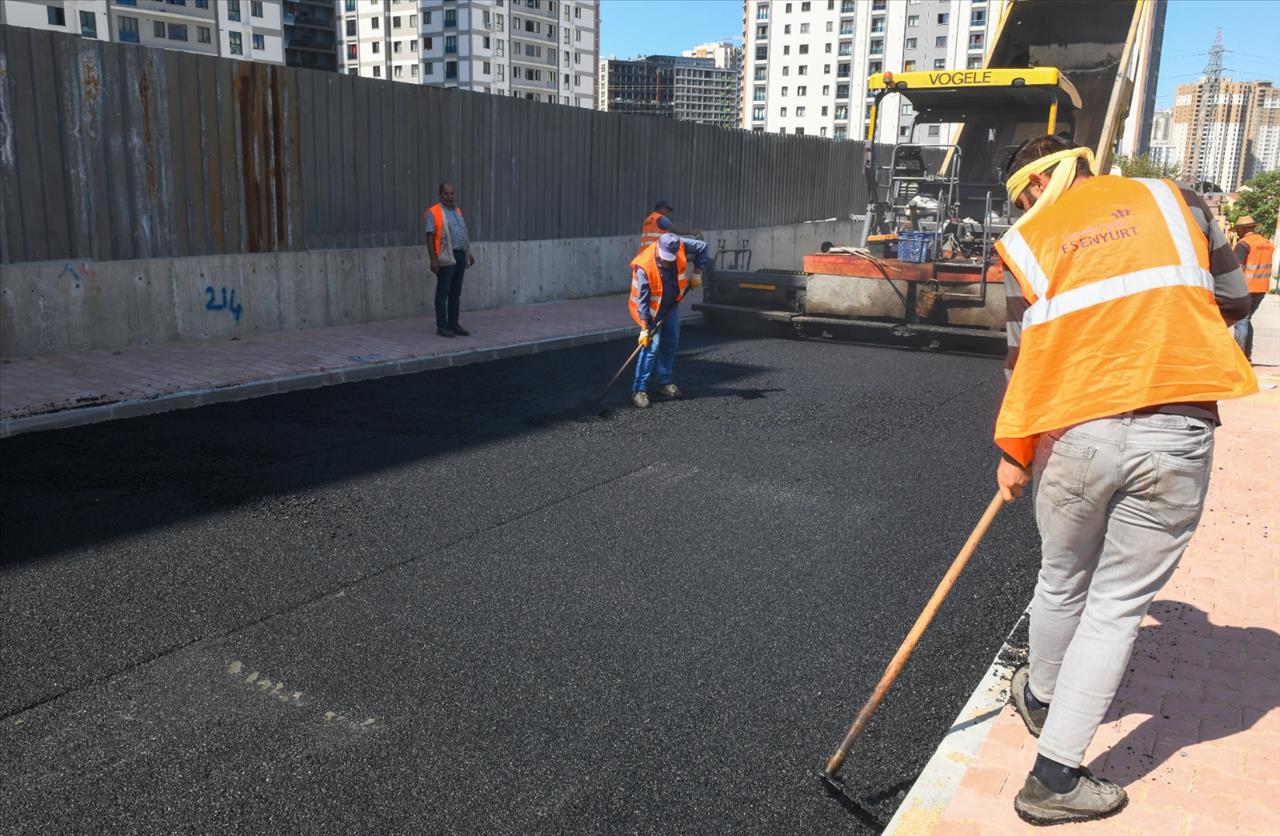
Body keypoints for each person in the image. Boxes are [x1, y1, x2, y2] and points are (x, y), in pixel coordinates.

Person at [992, 135, 1256, 826]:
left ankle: (1045, 710)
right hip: (1175, 426)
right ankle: (1053, 766)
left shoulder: (1025, 240)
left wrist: (1015, 454)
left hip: (1072, 431)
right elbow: (1234, 299)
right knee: (1114, 606)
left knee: (1060, 579)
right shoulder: (1177, 201)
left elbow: (1023, 364)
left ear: (1029, 187)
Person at [628, 232, 710, 409]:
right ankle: (638, 390)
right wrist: (644, 329)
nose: (668, 262)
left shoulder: (678, 244)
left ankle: (664, 383)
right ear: (659, 248)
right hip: (651, 311)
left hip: (671, 306)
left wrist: (697, 272)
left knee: (670, 343)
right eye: (665, 259)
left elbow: (703, 247)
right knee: (651, 348)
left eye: (671, 259)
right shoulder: (644, 266)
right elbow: (642, 302)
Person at [425, 182, 475, 338]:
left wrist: (468, 253)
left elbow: (462, 234)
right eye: (446, 194)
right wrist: (433, 259)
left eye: (452, 193)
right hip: (446, 256)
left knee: (456, 292)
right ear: (440, 195)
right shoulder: (433, 212)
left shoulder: (457, 211)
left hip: (460, 255)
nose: (449, 197)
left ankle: (453, 324)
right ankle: (442, 326)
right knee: (443, 292)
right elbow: (429, 236)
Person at [1231, 215, 1275, 361]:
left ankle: (1240, 357)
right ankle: (1246, 355)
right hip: (1261, 288)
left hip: (1246, 288)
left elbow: (1236, 268)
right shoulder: (1267, 243)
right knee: (1246, 320)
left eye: (1238, 229)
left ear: (1244, 229)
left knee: (1241, 321)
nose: (1237, 232)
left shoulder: (1244, 244)